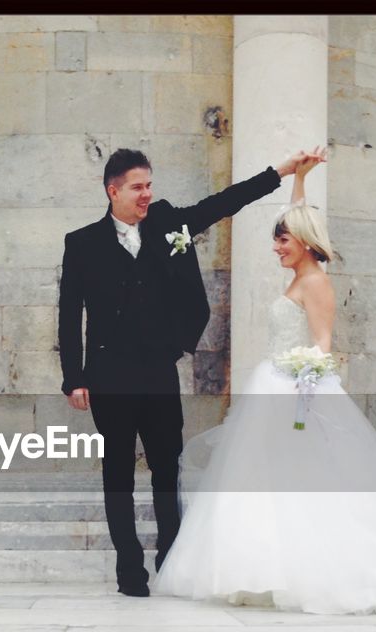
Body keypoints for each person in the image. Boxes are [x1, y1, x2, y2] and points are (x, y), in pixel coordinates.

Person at [153, 152, 376, 614]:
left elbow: (324, 344)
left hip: (296, 389)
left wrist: (303, 388)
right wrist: (299, 178)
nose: (277, 247)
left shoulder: (316, 285)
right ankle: (262, 571)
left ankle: (310, 571)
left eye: (283, 241)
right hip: (273, 383)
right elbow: (295, 218)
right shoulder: (301, 274)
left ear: (305, 243)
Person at [60, 147, 321, 597]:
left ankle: (172, 559)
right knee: (117, 473)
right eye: (138, 187)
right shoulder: (81, 243)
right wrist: (74, 376)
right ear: (113, 190)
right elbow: (69, 315)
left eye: (149, 186)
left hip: (159, 373)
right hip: (109, 377)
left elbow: (223, 203)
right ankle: (129, 571)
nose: (147, 194)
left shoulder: (166, 223)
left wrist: (280, 171)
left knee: (167, 468)